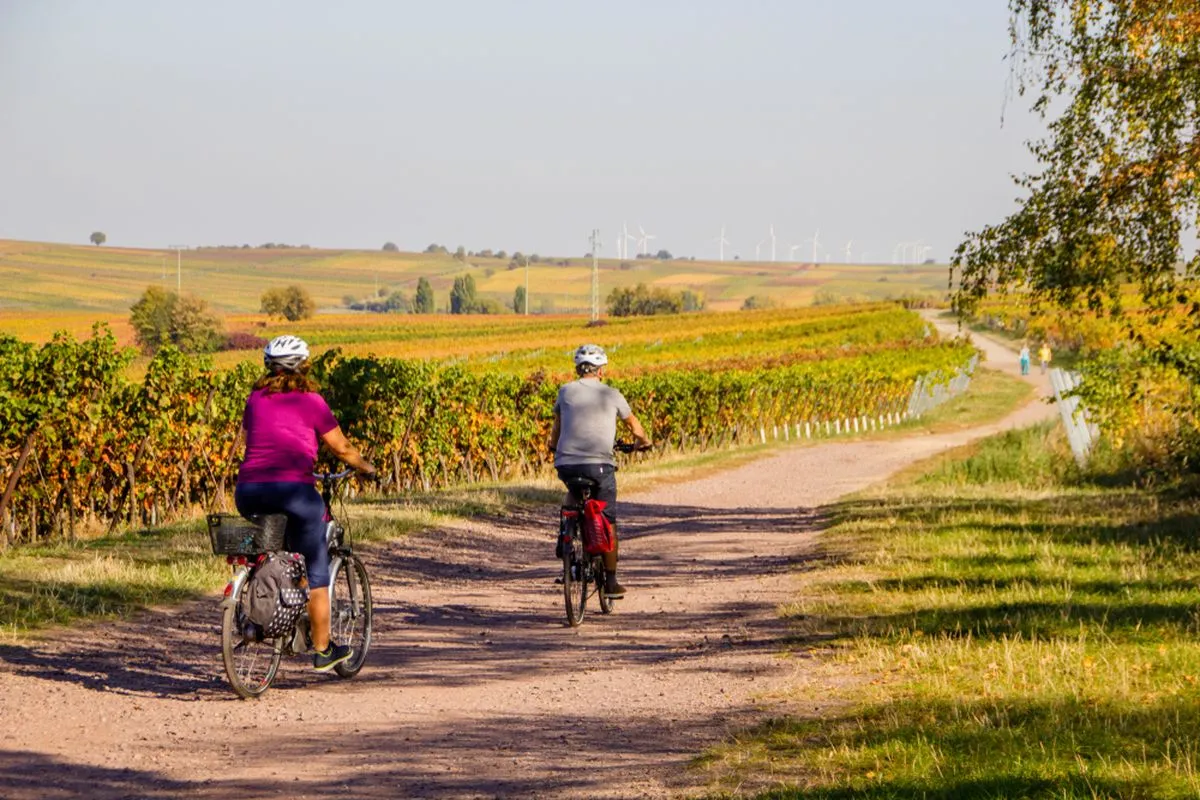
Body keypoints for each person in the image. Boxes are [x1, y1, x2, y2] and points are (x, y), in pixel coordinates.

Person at [235, 335, 376, 672]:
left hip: (249, 491)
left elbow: (248, 440)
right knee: (315, 567)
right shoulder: (312, 401)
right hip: (294, 491)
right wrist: (367, 467)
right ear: (304, 366)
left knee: (273, 546)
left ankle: (266, 603)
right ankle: (323, 649)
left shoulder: (254, 400)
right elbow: (341, 448)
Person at [548, 344, 651, 598]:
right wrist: (642, 442)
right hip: (600, 465)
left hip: (567, 463)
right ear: (601, 370)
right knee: (608, 518)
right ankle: (612, 581)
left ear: (577, 369)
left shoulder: (565, 391)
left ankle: (566, 534)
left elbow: (557, 427)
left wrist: (552, 446)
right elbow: (634, 425)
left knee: (573, 491)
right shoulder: (611, 394)